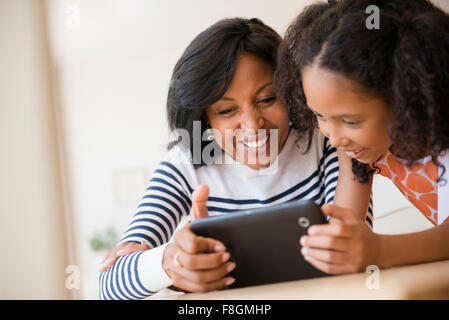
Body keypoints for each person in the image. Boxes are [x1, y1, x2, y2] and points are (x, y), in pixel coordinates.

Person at [98, 17, 371, 300]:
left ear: (290, 92)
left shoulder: (325, 138)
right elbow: (110, 284)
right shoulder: (186, 162)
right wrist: (172, 263)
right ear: (203, 119)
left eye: (266, 100)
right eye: (227, 111)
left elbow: (352, 244)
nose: (253, 126)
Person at [275, 0, 449, 275]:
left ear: (405, 95)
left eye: (350, 121)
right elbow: (346, 223)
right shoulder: (358, 147)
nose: (334, 139)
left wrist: (379, 250)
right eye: (320, 116)